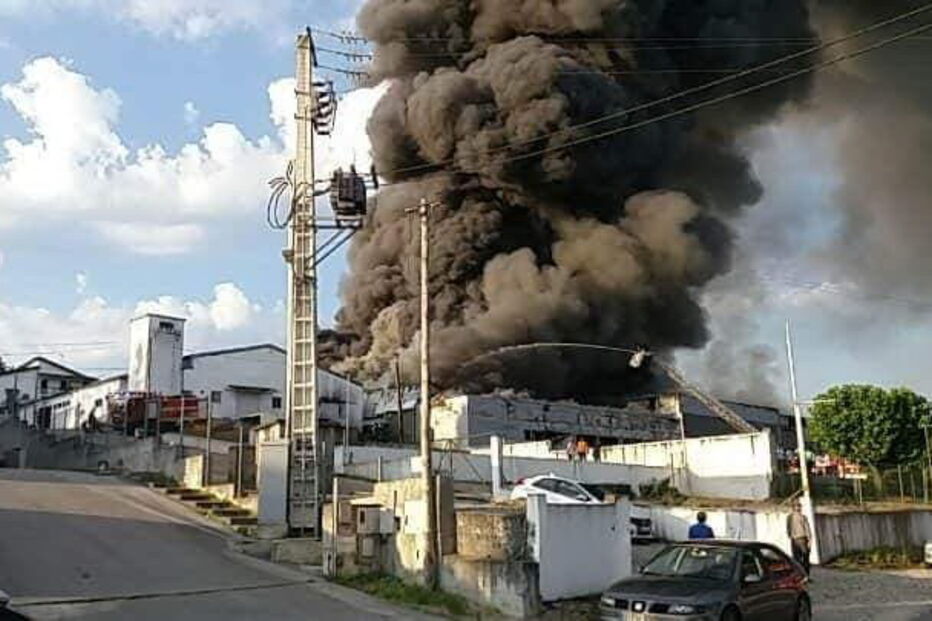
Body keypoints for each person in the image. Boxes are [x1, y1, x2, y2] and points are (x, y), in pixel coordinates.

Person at [787, 500, 812, 575]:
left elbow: (807, 529)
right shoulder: (798, 517)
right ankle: (804, 575)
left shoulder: (792, 517)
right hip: (799, 539)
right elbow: (807, 529)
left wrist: (809, 539)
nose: (798, 508)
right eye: (797, 506)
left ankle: (803, 575)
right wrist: (809, 540)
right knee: (803, 559)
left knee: (800, 559)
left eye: (799, 506)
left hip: (797, 539)